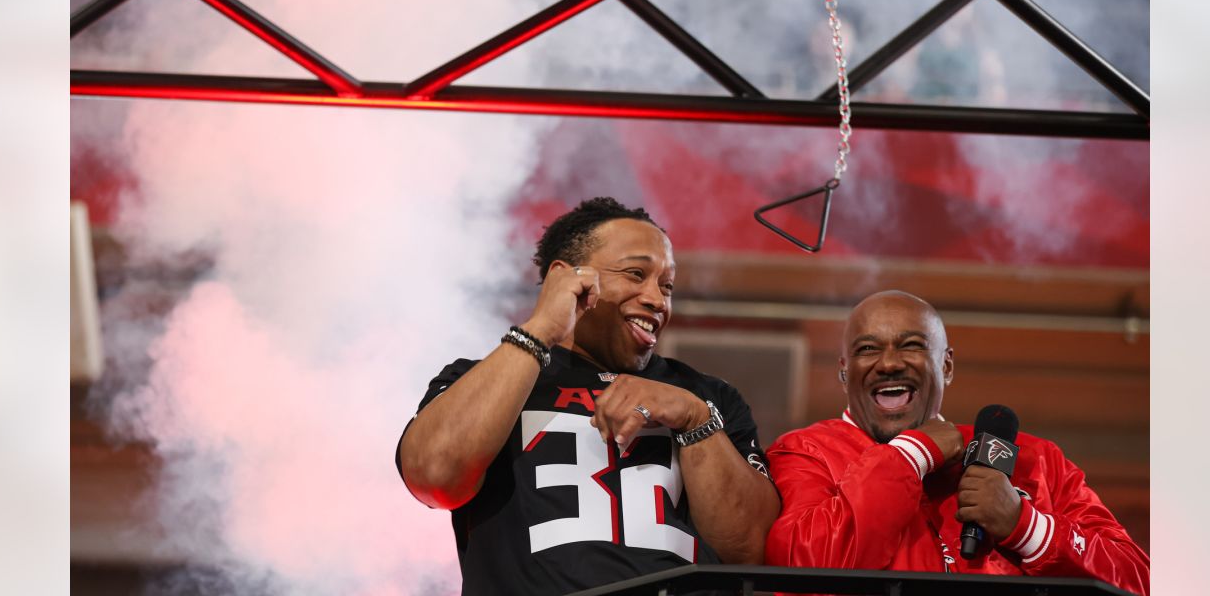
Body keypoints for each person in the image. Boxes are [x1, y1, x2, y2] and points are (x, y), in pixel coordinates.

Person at [397, 197, 780, 595]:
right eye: (636, 274)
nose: (657, 299)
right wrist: (541, 328)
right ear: (566, 277)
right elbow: (434, 476)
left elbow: (752, 550)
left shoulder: (708, 396)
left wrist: (694, 419)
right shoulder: (481, 380)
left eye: (666, 286)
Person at [764, 290, 1149, 595]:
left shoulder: (1037, 460)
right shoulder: (803, 452)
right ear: (843, 371)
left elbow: (1138, 580)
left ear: (946, 366)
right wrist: (912, 453)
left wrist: (1027, 527)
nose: (889, 363)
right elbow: (803, 570)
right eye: (867, 349)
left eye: (911, 344)